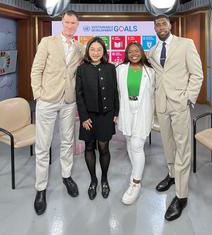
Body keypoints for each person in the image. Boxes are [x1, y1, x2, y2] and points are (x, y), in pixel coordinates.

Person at [148, 15, 203, 221]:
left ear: (170, 26)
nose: (161, 27)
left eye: (164, 23)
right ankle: (172, 175)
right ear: (154, 28)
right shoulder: (152, 51)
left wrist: (188, 99)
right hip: (161, 105)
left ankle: (181, 196)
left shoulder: (186, 44)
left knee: (183, 148)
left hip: (180, 104)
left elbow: (197, 74)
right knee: (167, 144)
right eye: (157, 24)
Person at [31, 10, 84, 215]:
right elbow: (36, 69)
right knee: (43, 145)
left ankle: (66, 176)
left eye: (74, 23)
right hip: (47, 99)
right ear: (62, 22)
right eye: (67, 22)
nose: (70, 25)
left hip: (68, 101)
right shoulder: (47, 42)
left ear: (77, 25)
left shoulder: (79, 47)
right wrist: (38, 95)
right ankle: (41, 188)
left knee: (67, 141)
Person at [75, 37, 119, 200]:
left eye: (99, 49)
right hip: (88, 116)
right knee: (88, 147)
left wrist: (116, 112)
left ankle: (104, 179)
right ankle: (93, 181)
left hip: (106, 115)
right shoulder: (82, 69)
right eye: (92, 49)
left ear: (103, 52)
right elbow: (78, 95)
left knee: (104, 148)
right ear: (88, 51)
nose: (95, 52)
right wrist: (84, 117)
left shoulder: (110, 68)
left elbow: (115, 91)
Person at [116, 42, 155, 205]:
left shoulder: (151, 72)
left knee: (137, 145)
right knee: (129, 140)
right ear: (127, 53)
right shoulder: (120, 69)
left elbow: (155, 94)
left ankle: (135, 183)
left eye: (137, 51)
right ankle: (135, 169)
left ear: (142, 53)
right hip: (126, 110)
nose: (134, 54)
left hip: (143, 111)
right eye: (130, 51)